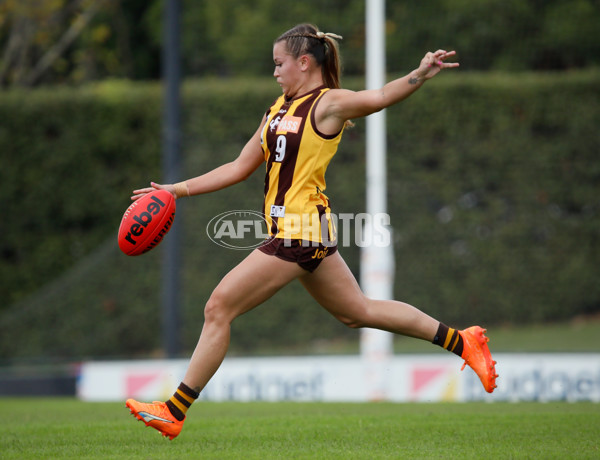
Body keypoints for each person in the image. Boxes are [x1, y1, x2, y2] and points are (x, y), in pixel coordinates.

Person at [126, 23, 498, 440]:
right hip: (306, 232)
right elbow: (238, 166)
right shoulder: (278, 109)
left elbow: (377, 98)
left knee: (219, 307)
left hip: (300, 231)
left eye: (279, 64)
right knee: (357, 312)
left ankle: (174, 409)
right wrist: (175, 190)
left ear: (304, 63)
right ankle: (463, 341)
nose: (275, 72)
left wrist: (419, 74)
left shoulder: (328, 104)